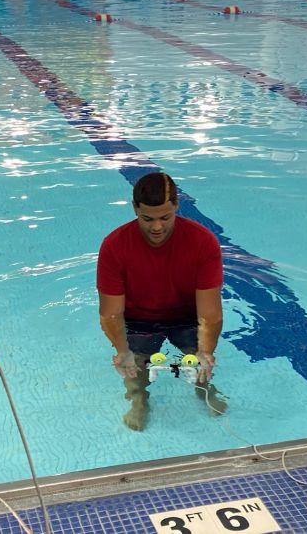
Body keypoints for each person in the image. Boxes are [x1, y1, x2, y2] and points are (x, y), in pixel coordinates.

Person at [97, 172, 226, 431]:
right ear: (135, 209)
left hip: (186, 315)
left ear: (177, 206)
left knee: (200, 359)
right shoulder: (115, 246)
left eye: (165, 217)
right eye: (148, 218)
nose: (157, 227)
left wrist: (205, 350)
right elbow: (111, 313)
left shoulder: (202, 242)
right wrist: (122, 351)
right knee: (134, 365)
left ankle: (204, 389)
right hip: (139, 318)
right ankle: (139, 401)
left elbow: (210, 313)